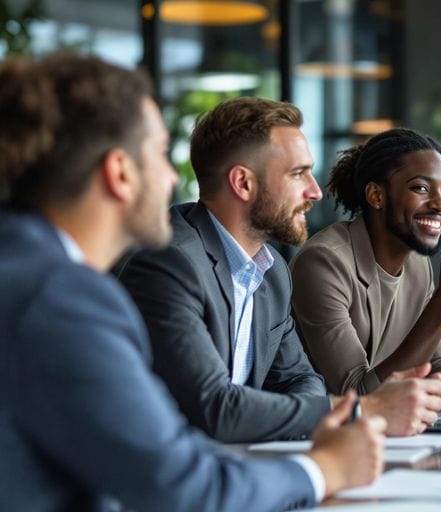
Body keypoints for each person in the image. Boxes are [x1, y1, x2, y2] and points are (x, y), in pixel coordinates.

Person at [0, 53, 384, 510]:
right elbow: (183, 487)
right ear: (120, 173)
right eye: (161, 154)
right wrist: (327, 469)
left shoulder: (28, 268)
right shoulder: (63, 297)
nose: (170, 179)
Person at [119, 98, 441, 441]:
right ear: (243, 183)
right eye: (298, 174)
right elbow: (213, 410)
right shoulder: (171, 263)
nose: (316, 191)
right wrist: (364, 410)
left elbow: (300, 381)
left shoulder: (271, 273)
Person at [289, 127, 441, 415]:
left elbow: (436, 366)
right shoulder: (323, 263)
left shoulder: (417, 264)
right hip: (323, 439)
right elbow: (359, 398)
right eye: (421, 188)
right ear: (376, 195)